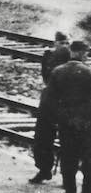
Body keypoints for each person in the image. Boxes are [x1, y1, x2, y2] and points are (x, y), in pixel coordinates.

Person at [42, 40, 91, 193]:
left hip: (66, 124)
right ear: (83, 53)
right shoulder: (89, 72)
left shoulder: (58, 72)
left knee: (68, 160)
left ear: (71, 52)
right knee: (88, 161)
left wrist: (59, 119)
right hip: (86, 125)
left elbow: (49, 101)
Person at [31, 31, 71, 183]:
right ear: (55, 43)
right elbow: (45, 77)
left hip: (67, 103)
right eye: (61, 43)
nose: (64, 47)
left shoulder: (73, 59)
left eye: (67, 43)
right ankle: (44, 170)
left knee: (68, 141)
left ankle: (68, 176)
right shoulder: (49, 56)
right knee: (42, 138)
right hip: (50, 102)